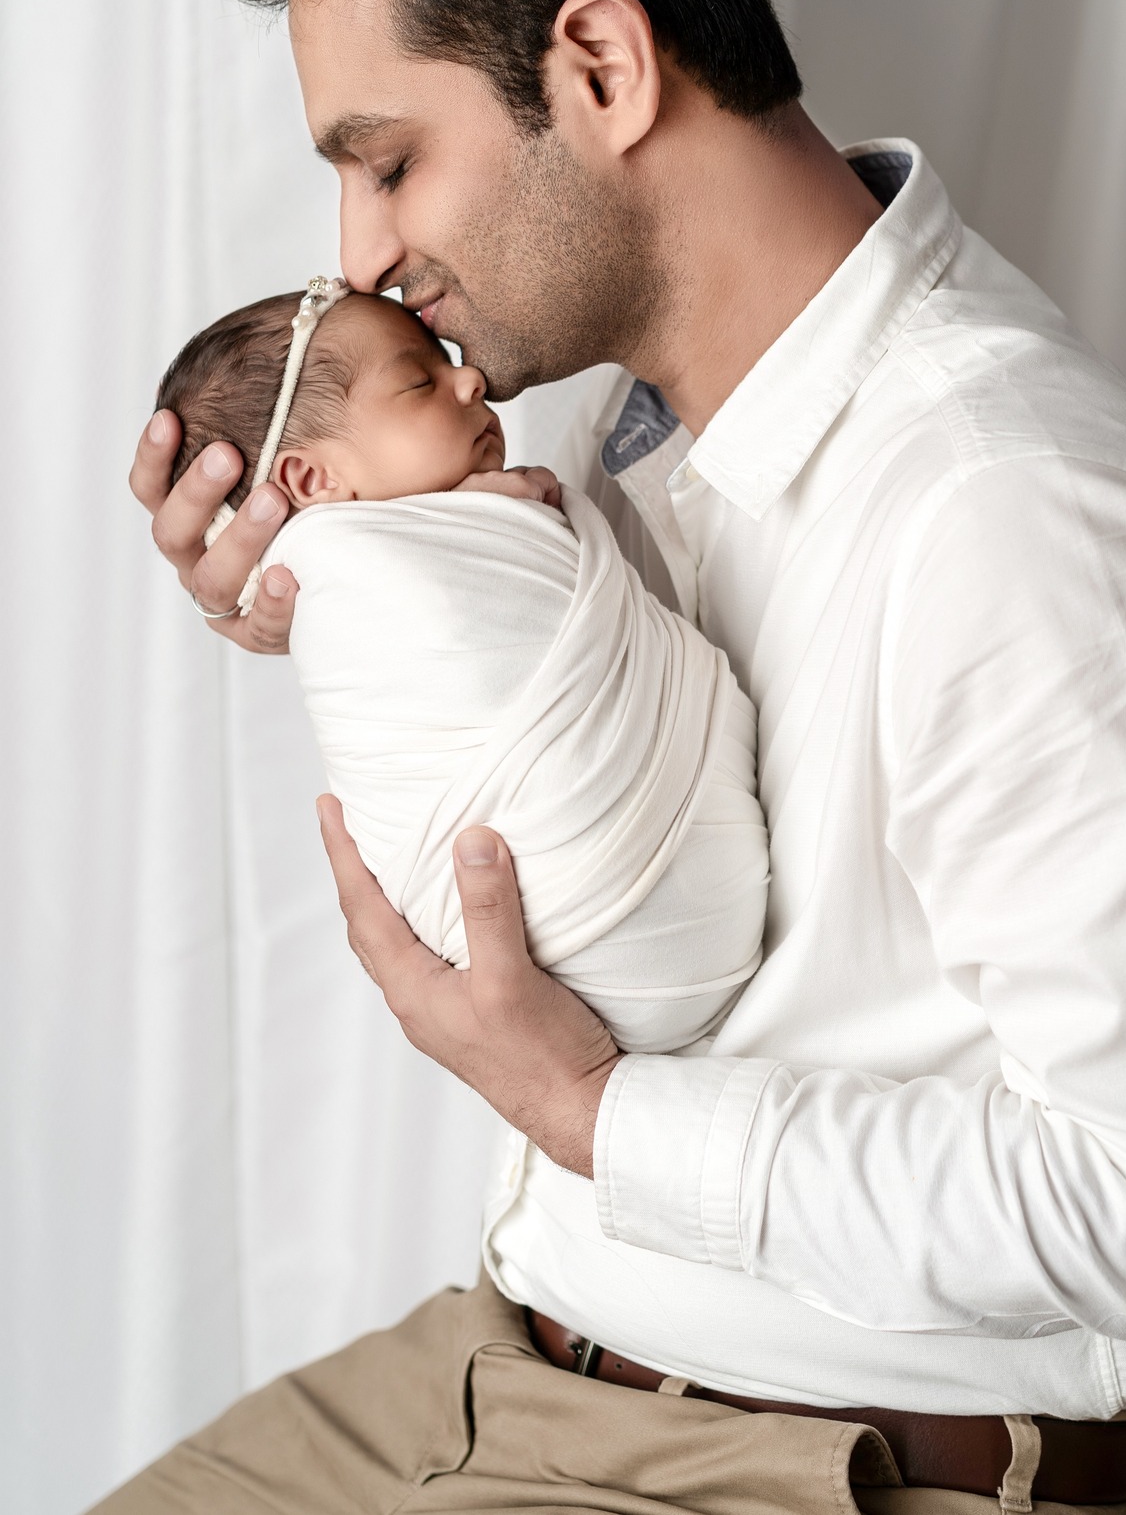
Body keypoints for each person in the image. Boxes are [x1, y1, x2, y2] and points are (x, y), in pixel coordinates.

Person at [115, 0, 1126, 1514]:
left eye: (387, 161)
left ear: (602, 66)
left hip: (800, 1455)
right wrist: (356, 597)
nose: (358, 256)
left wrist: (598, 1115)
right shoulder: (638, 430)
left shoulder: (1025, 513)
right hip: (503, 1357)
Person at [153, 281, 768, 1051]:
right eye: (421, 381)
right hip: (599, 923)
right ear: (312, 482)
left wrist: (499, 515)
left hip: (657, 915)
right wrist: (505, 513)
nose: (470, 379)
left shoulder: (547, 466)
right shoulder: (338, 571)